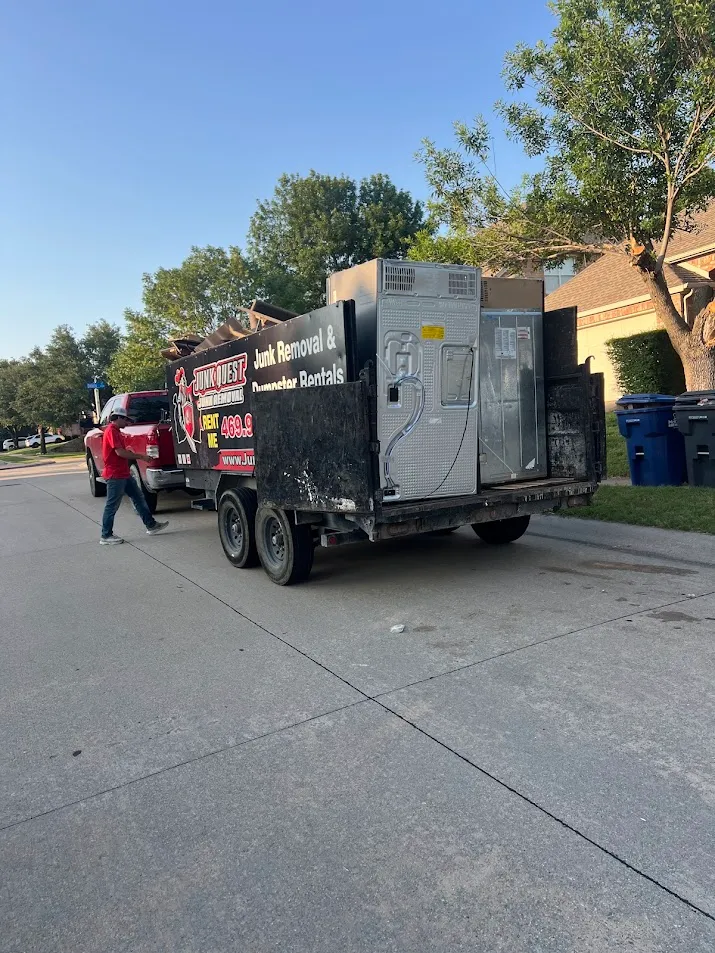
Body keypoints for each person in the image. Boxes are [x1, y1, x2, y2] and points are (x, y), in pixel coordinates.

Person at [99, 410, 169, 545]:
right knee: (112, 505)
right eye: (125, 419)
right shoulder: (111, 431)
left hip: (123, 473)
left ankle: (151, 525)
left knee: (138, 498)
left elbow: (121, 452)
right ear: (118, 418)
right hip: (115, 475)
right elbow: (120, 452)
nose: (128, 422)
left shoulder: (116, 431)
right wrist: (141, 456)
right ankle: (106, 535)